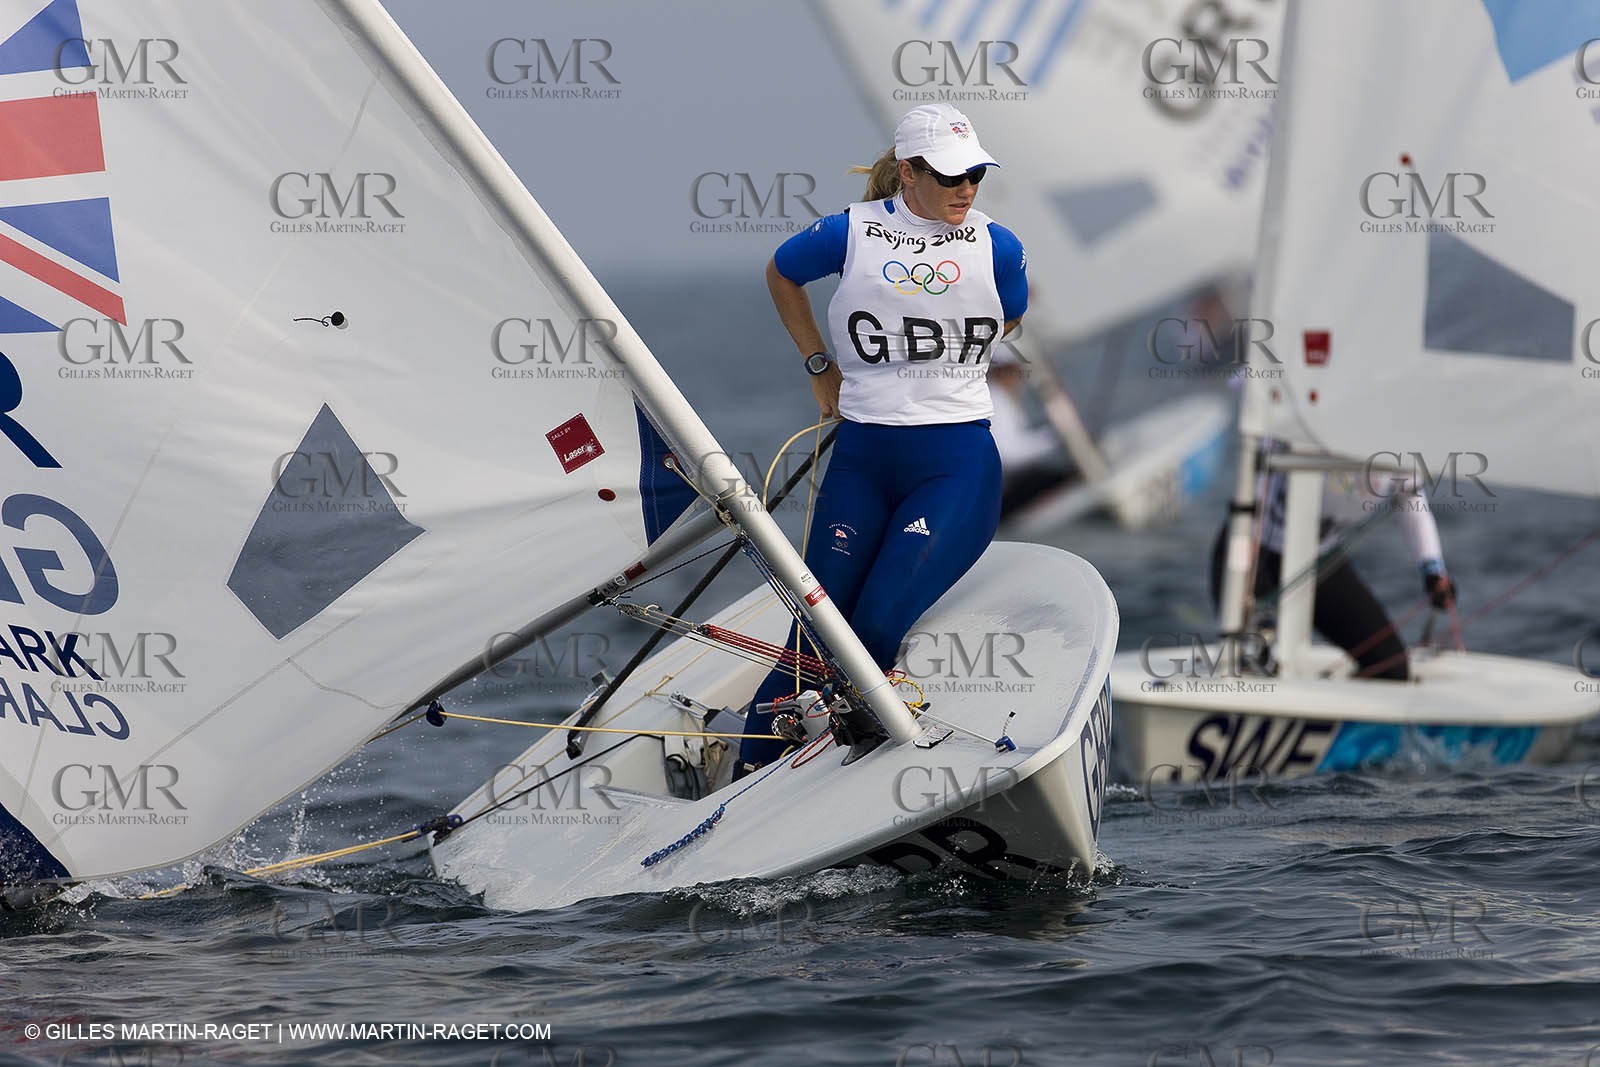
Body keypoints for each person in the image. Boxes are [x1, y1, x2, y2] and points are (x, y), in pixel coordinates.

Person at [735, 103, 1029, 776]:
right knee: (811, 644)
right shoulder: (850, 233)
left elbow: (1008, 316)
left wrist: (941, 358)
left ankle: (857, 765)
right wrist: (819, 364)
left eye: (976, 175)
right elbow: (782, 272)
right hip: (863, 463)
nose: (966, 189)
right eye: (951, 175)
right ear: (908, 171)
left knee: (869, 630)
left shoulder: (999, 246)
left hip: (954, 467)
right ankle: (738, 789)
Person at [1209, 446, 1458, 681]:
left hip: (1318, 562)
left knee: (1391, 668)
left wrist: (1433, 570)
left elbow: (1412, 501)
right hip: (1254, 554)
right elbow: (1261, 457)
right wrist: (1249, 537)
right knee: (1255, 661)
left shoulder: (1396, 441)